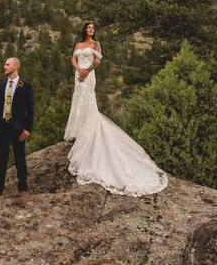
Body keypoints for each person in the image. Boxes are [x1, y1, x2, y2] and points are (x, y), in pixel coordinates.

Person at [64, 21, 167, 196]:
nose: (91, 29)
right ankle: (78, 129)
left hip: (89, 75)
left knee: (88, 99)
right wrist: (78, 69)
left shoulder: (96, 44)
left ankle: (89, 129)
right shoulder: (78, 45)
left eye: (93, 28)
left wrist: (86, 71)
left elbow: (97, 60)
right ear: (84, 30)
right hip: (78, 74)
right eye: (88, 27)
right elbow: (73, 58)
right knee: (78, 98)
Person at [0, 57, 34, 204]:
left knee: (20, 159)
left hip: (18, 128)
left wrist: (27, 128)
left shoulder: (25, 86)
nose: (4, 67)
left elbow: (30, 109)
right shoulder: (1, 86)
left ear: (15, 66)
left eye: (7, 64)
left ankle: (23, 191)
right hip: (1, 128)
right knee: (1, 159)